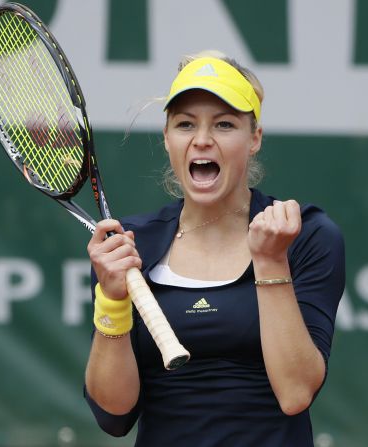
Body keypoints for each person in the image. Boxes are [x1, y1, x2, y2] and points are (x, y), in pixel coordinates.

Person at [83, 50, 345, 446]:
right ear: (167, 138)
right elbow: (114, 415)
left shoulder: (304, 235)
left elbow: (295, 393)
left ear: (254, 137)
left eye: (224, 124)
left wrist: (272, 261)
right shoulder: (127, 247)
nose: (202, 140)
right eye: (185, 124)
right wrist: (112, 302)